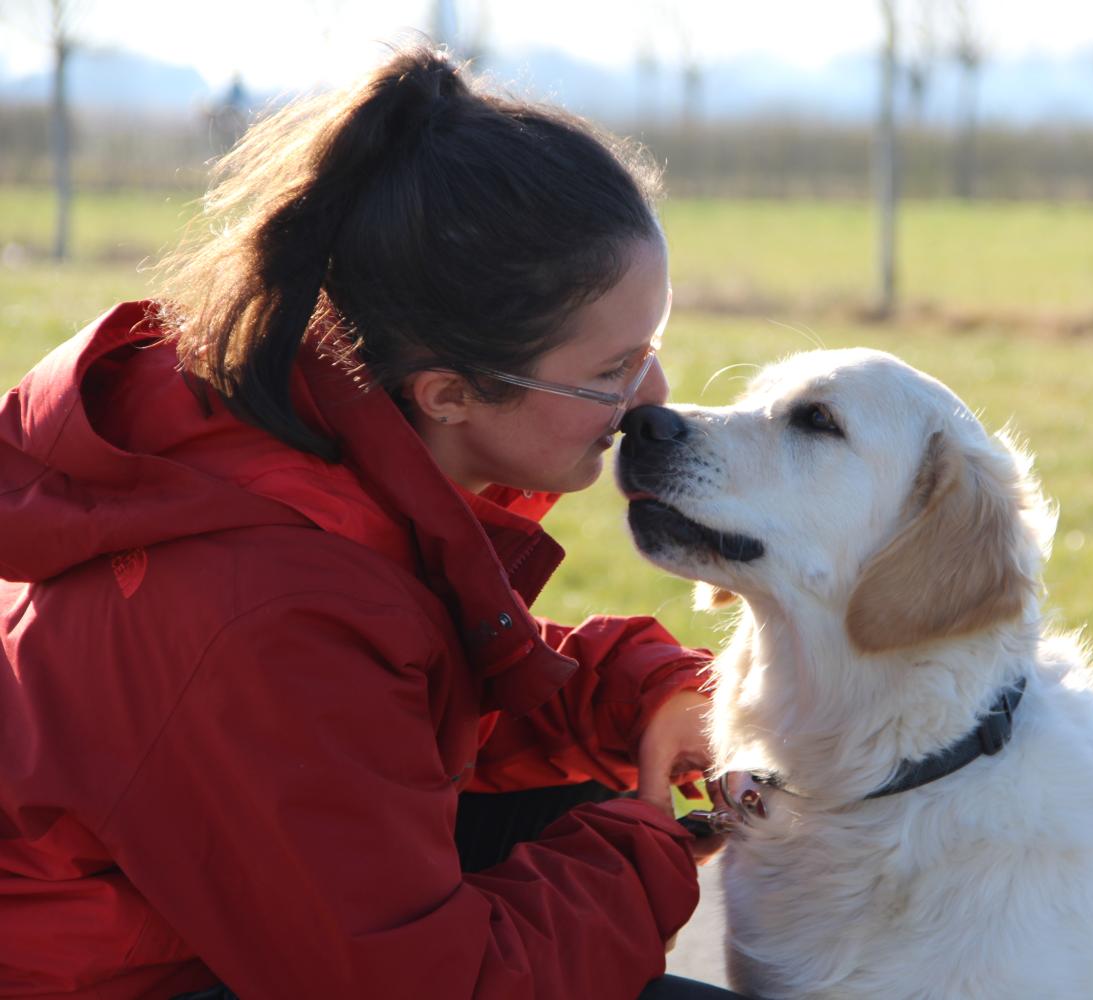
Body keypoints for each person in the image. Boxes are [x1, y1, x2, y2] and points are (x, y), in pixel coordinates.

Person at [0, 45, 741, 1000]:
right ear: (450, 393)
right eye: (611, 370)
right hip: (112, 982)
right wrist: (648, 842)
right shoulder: (266, 601)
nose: (653, 395)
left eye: (652, 348)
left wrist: (639, 698)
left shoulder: (305, 441)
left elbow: (409, 692)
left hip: (186, 929)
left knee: (576, 804)